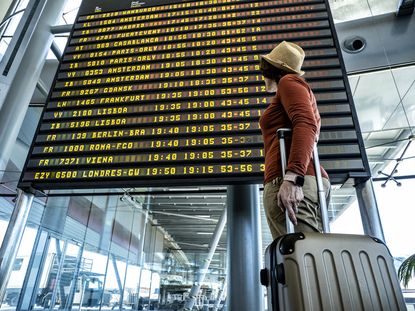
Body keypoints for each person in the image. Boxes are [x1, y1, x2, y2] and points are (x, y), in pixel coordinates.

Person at [259, 41, 330, 239]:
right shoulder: (293, 87)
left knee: (304, 259)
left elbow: (306, 125)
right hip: (304, 178)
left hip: (291, 177)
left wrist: (293, 178)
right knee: (304, 255)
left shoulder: (288, 81)